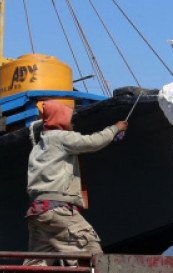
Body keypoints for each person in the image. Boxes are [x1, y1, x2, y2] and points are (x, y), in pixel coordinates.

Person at [25, 100, 127, 263]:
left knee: (37, 265)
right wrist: (115, 129)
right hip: (57, 210)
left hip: (38, 213)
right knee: (90, 251)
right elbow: (93, 142)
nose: (72, 123)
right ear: (61, 120)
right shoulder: (60, 137)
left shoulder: (40, 146)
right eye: (70, 120)